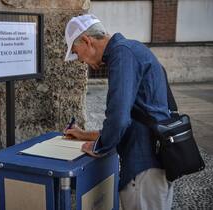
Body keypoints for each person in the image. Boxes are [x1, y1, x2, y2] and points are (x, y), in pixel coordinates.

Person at [63, 14, 174, 210]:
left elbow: (119, 118)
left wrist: (99, 147)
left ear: (87, 41)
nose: (79, 60)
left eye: (75, 51)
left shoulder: (121, 55)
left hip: (143, 166)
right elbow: (133, 118)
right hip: (153, 162)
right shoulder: (132, 48)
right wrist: (83, 135)